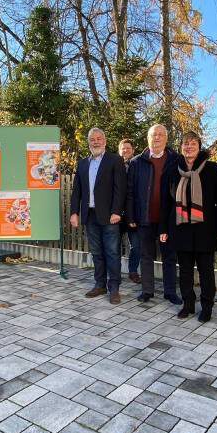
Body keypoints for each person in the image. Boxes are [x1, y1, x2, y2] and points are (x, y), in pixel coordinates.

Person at [160, 132, 217, 322]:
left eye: (192, 144)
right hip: (180, 228)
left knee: (206, 270)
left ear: (199, 146)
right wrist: (163, 229)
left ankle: (207, 307)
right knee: (185, 270)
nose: (188, 147)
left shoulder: (212, 169)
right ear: (181, 147)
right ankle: (188, 304)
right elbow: (166, 202)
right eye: (185, 144)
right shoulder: (172, 169)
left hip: (205, 229)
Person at [70, 128, 127, 304]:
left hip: (110, 216)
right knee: (96, 252)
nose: (96, 142)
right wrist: (74, 213)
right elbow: (76, 191)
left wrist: (117, 211)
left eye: (99, 139)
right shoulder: (82, 164)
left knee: (111, 252)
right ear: (89, 142)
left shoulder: (115, 160)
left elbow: (121, 189)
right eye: (92, 139)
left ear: (105, 140)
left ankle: (114, 287)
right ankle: (100, 284)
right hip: (90, 215)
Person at [126, 124, 180, 304]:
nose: (156, 138)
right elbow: (130, 192)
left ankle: (170, 291)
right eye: (153, 135)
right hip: (145, 218)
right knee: (146, 255)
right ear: (147, 138)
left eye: (160, 135)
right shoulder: (136, 162)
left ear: (166, 138)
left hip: (168, 219)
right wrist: (131, 216)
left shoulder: (176, 160)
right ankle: (147, 290)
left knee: (169, 257)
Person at [118, 139, 141, 284]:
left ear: (133, 150)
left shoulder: (138, 166)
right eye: (123, 148)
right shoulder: (114, 166)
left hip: (133, 213)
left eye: (128, 148)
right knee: (114, 246)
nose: (125, 150)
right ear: (119, 151)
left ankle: (133, 271)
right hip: (117, 214)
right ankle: (115, 271)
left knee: (137, 246)